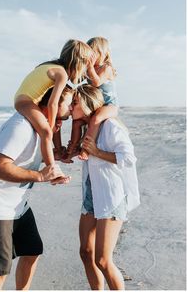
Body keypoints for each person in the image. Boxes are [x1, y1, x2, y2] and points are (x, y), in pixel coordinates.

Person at [0, 87, 73, 290]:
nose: (71, 108)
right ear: (51, 103)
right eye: (68, 103)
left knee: (32, 250)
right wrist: (41, 176)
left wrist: (56, 156)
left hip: (16, 204)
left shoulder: (42, 128)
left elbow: (26, 155)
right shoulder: (21, 126)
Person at [72, 85, 140, 290]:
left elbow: (129, 158)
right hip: (91, 196)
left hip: (111, 198)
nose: (70, 107)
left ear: (87, 104)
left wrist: (98, 152)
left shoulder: (110, 126)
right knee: (85, 252)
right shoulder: (86, 127)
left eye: (74, 103)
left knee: (102, 259)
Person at [15, 39, 93, 167]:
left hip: (23, 99)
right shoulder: (62, 74)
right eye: (86, 66)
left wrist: (54, 126)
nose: (86, 71)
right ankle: (51, 168)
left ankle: (56, 150)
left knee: (54, 120)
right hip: (26, 102)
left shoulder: (52, 66)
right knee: (46, 132)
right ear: (79, 62)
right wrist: (50, 128)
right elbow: (53, 104)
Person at [62, 37, 119, 163]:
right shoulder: (89, 69)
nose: (90, 58)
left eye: (93, 54)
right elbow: (75, 80)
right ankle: (72, 149)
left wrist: (90, 68)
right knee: (77, 123)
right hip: (97, 105)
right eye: (89, 55)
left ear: (103, 53)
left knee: (96, 118)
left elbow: (97, 82)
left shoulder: (106, 68)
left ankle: (86, 149)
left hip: (110, 106)